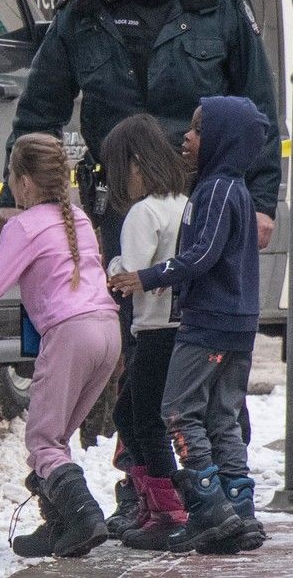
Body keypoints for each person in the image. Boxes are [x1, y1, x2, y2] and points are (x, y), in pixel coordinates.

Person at [0, 0, 281, 529]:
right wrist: (19, 200)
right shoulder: (85, 11)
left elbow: (260, 111)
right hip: (116, 209)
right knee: (132, 352)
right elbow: (39, 109)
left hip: (206, 206)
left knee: (195, 351)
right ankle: (145, 489)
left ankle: (211, 490)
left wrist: (263, 204)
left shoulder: (220, 7)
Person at [110, 96, 269, 554]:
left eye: (198, 130)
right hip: (237, 326)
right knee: (222, 418)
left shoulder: (216, 189)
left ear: (221, 139)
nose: (186, 137)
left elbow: (201, 256)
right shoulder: (233, 189)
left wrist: (147, 276)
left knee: (177, 413)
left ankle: (209, 509)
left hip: (208, 325)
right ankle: (241, 513)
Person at [0, 133, 119, 559]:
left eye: (10, 175)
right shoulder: (78, 218)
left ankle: (83, 516)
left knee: (43, 442)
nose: (9, 183)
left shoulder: (23, 226)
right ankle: (60, 528)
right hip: (108, 331)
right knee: (57, 438)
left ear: (25, 182)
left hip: (70, 334)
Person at [101, 114, 189, 550]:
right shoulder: (183, 204)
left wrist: (113, 265)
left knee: (143, 420)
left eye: (118, 170)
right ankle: (152, 501)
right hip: (181, 328)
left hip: (153, 329)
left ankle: (168, 510)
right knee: (129, 415)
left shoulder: (144, 211)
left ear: (135, 165)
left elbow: (128, 272)